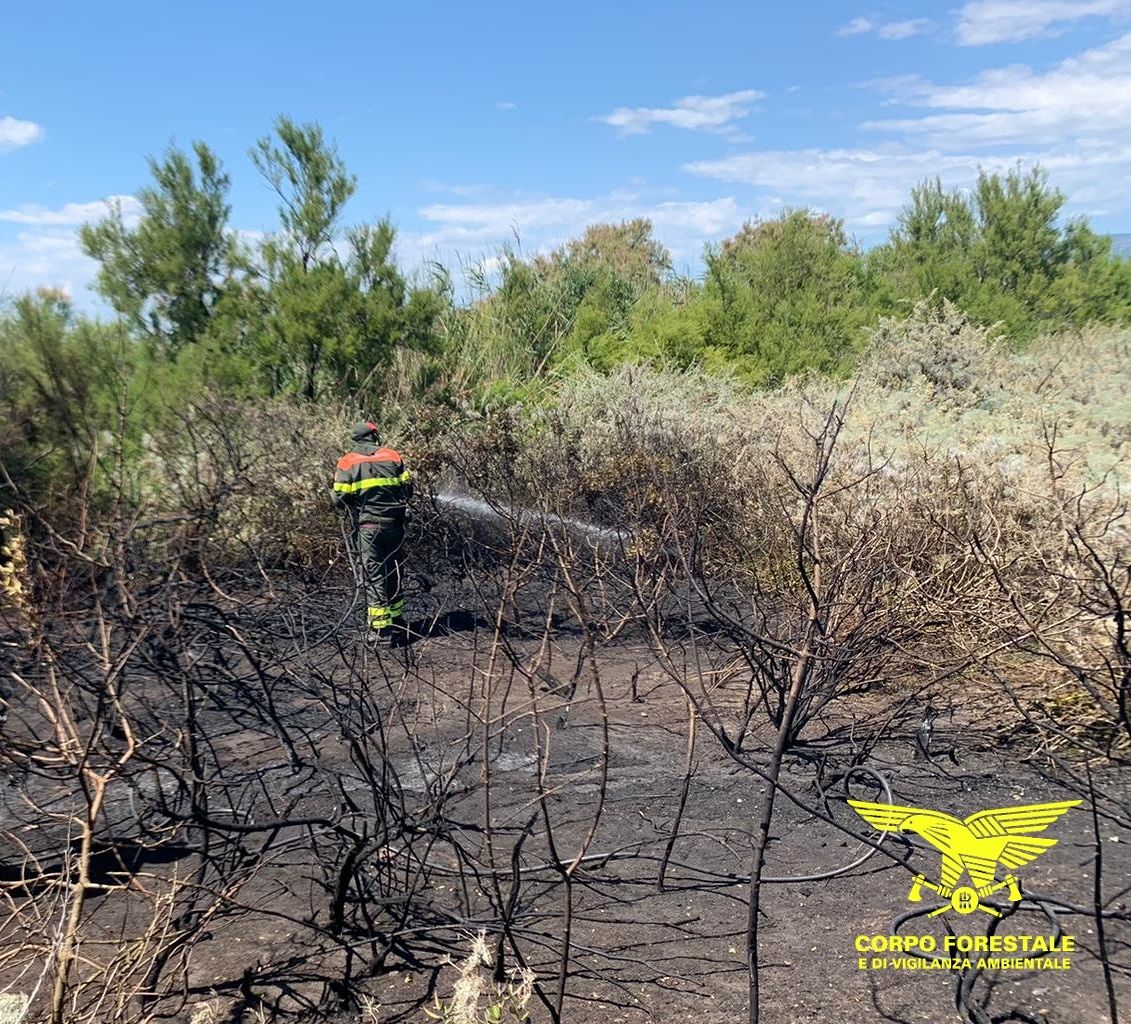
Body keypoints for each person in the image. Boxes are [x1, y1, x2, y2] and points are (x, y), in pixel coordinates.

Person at [332, 421, 413, 644]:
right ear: (374, 435)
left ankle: (380, 632)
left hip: (369, 529)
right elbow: (408, 489)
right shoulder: (393, 456)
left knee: (374, 575)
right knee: (394, 571)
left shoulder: (348, 462)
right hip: (395, 526)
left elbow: (339, 499)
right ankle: (396, 622)